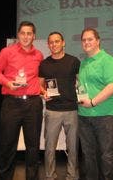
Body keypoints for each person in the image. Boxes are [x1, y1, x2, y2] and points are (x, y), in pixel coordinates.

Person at [0, 21, 44, 180]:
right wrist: (7, 83)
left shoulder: (39, 55)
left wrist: (44, 91)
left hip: (33, 104)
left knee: (33, 147)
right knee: (7, 145)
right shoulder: (7, 52)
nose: (26, 36)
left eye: (29, 33)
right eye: (23, 33)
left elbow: (39, 79)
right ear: (18, 35)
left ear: (34, 36)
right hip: (11, 103)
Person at [77, 28, 113, 180]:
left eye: (90, 39)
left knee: (106, 156)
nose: (86, 42)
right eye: (83, 40)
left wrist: (93, 102)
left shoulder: (108, 60)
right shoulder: (83, 63)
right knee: (89, 156)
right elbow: (81, 87)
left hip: (106, 115)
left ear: (98, 41)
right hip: (84, 116)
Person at [39, 31, 80, 180]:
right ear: (48, 45)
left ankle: (72, 176)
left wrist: (82, 96)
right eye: (51, 42)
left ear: (63, 43)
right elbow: (40, 86)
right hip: (52, 111)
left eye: (57, 41)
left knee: (73, 147)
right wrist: (43, 93)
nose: (54, 44)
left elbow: (80, 83)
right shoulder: (44, 63)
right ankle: (50, 176)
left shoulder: (74, 61)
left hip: (72, 110)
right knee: (49, 147)